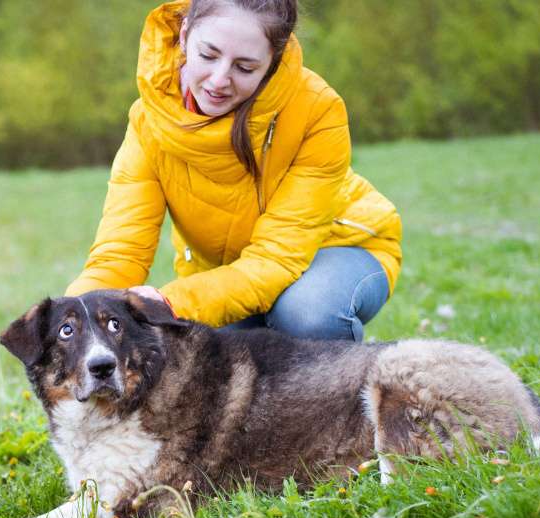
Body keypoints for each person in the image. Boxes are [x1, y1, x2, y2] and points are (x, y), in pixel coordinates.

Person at [66, 0, 402, 341]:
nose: (219, 79)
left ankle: (352, 389)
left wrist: (170, 303)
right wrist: (69, 316)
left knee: (305, 314)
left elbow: (277, 259)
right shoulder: (149, 121)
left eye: (244, 67)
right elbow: (122, 251)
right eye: (208, 55)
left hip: (338, 249)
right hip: (226, 274)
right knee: (201, 357)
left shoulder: (318, 111)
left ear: (272, 63)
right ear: (184, 35)